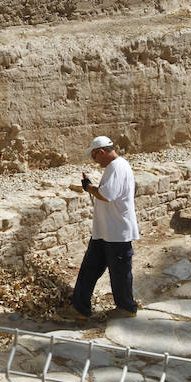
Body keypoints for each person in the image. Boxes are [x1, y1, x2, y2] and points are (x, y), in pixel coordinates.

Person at [67, 136, 140, 320]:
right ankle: (79, 308)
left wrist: (89, 187)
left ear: (101, 152)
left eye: (94, 157)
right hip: (105, 231)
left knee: (120, 274)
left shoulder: (117, 167)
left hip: (117, 232)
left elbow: (106, 195)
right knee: (89, 269)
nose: (95, 161)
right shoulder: (114, 167)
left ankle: (127, 308)